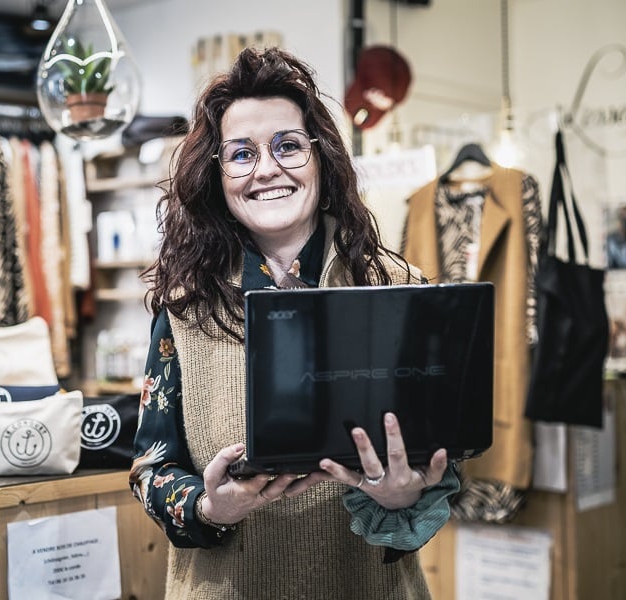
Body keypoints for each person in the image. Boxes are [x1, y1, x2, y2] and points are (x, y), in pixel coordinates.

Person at [129, 47, 460, 599]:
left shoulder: (398, 286)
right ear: (217, 174)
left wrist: (406, 496)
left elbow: (445, 464)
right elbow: (150, 467)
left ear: (322, 158)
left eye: (287, 146)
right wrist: (210, 506)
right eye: (240, 154)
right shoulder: (187, 305)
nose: (265, 170)